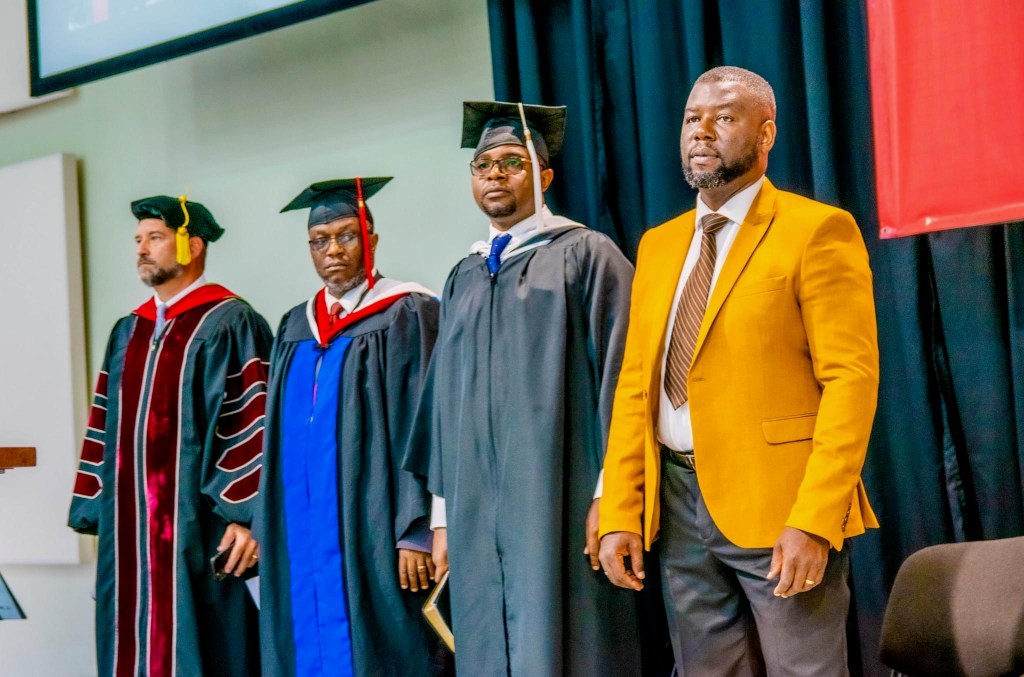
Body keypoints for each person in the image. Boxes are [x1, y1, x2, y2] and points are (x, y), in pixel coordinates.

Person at [599, 66, 880, 676]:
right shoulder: (658, 245)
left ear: (766, 133)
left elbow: (851, 383)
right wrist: (621, 508)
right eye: (691, 118)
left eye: (724, 117)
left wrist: (815, 519)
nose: (701, 131)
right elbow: (635, 387)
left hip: (781, 505)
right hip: (677, 506)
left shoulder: (816, 230)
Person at [405, 101, 643, 676]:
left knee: (573, 642)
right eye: (483, 164)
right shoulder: (462, 276)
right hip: (475, 512)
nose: (495, 174)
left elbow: (627, 379)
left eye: (513, 162)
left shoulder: (587, 254)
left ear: (545, 176)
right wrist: (442, 516)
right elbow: (445, 406)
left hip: (563, 497)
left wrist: (613, 495)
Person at [69, 195, 273, 677]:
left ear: (192, 246)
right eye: (138, 240)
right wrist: (104, 514)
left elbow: (253, 420)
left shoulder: (230, 322)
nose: (141, 249)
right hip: (132, 531)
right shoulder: (128, 331)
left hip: (200, 531)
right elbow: (103, 425)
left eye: (155, 238)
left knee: (206, 648)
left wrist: (246, 516)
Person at [255, 177, 441, 676]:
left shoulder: (408, 312)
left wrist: (417, 530)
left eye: (346, 236)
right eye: (319, 241)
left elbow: (427, 426)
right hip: (302, 530)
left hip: (375, 526)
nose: (333, 250)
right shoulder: (295, 326)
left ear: (371, 239)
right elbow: (276, 444)